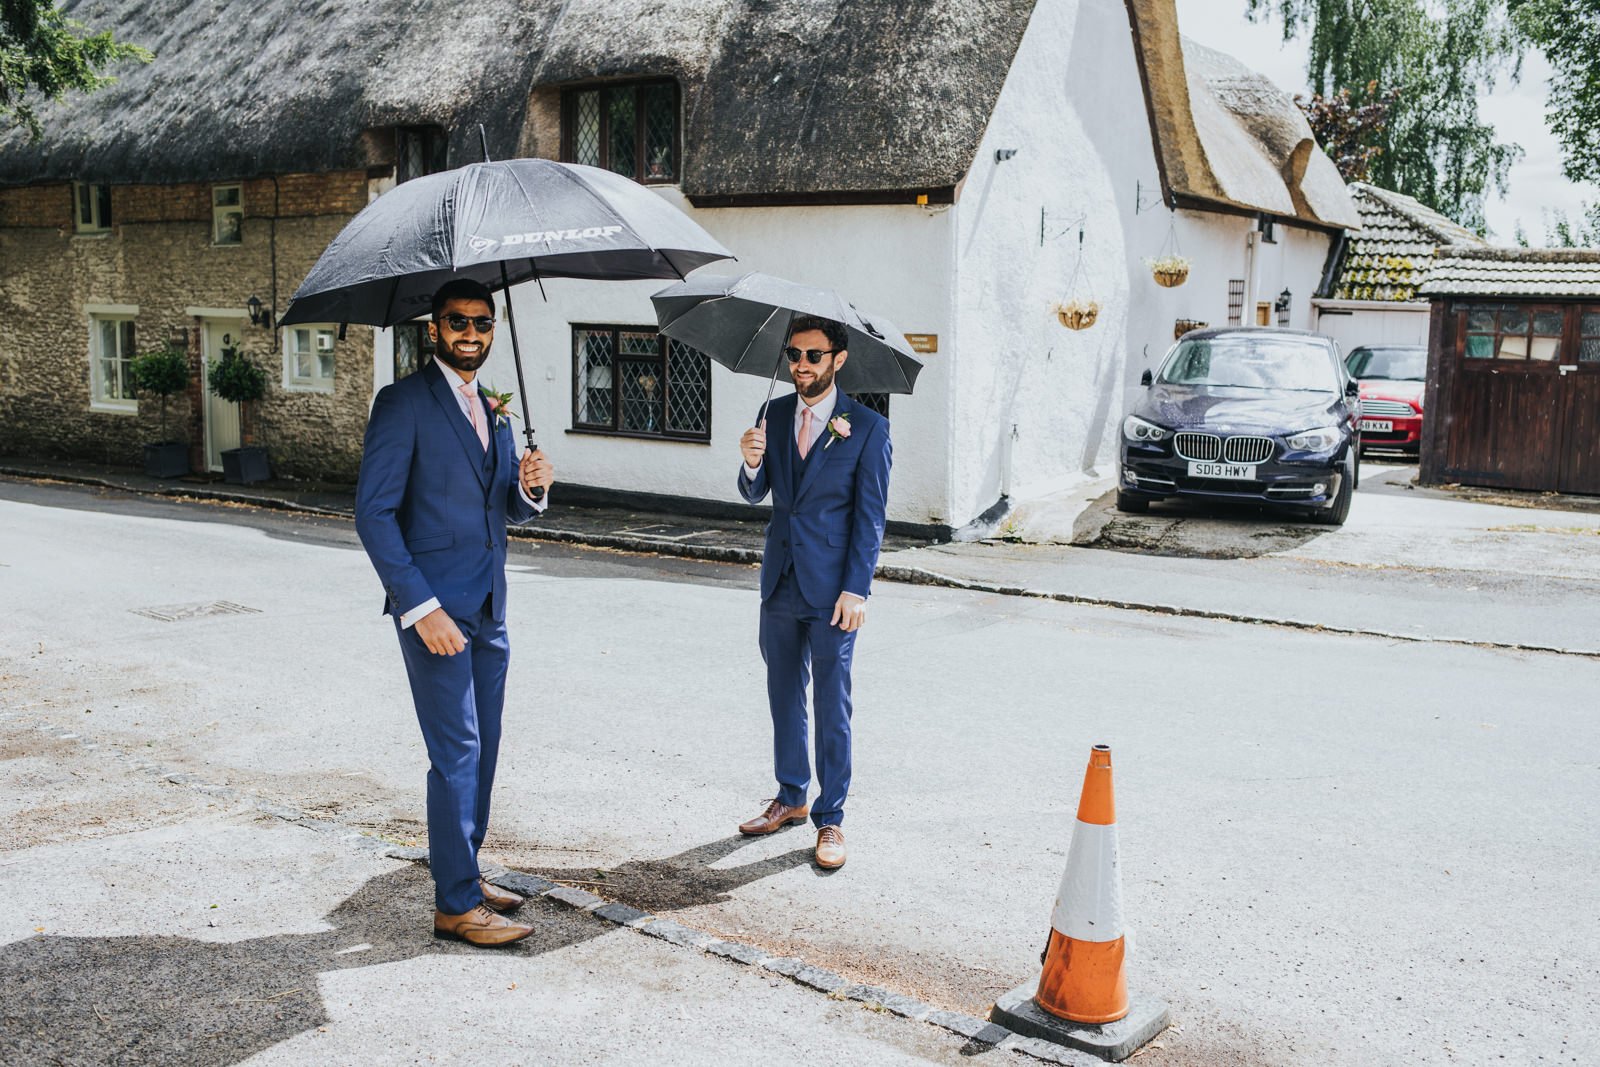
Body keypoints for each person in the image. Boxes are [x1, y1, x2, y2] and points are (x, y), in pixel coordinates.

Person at [354, 278, 554, 945]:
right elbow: (374, 514)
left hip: (490, 606)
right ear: (433, 327)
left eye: (481, 322)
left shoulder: (494, 411)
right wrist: (420, 606)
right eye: (456, 322)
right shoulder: (402, 403)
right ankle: (454, 905)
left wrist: (531, 490)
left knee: (486, 746)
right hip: (437, 612)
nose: (470, 333)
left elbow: (498, 505)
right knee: (456, 750)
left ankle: (464, 870)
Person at [735, 314, 892, 869]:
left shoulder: (867, 427)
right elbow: (758, 493)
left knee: (831, 704)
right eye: (794, 355)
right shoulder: (772, 414)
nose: (801, 365)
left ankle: (831, 819)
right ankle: (791, 796)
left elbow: (870, 518)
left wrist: (857, 589)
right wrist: (751, 463)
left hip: (833, 592)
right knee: (783, 694)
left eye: (813, 356)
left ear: (837, 360)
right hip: (779, 581)